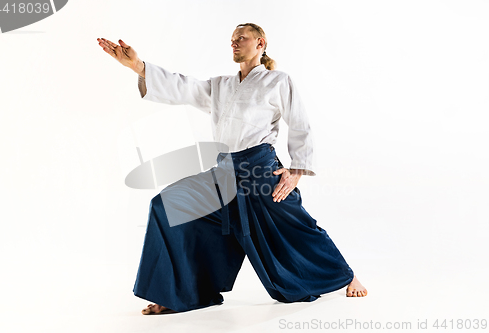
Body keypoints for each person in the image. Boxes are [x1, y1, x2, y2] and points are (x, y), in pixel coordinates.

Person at [97, 23, 367, 315]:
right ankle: (179, 294)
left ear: (260, 43)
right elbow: (183, 87)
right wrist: (138, 66)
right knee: (166, 206)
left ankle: (346, 274)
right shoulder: (221, 85)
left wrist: (297, 170)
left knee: (296, 226)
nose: (234, 43)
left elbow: (300, 124)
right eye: (232, 40)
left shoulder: (278, 81)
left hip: (261, 171)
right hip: (224, 171)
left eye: (242, 38)